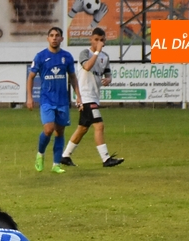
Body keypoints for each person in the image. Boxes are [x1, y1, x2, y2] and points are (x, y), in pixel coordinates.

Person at [60, 27, 124, 168]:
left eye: (102, 40)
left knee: (82, 128)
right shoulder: (85, 53)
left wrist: (108, 80)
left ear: (105, 41)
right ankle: (106, 159)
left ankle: (65, 156)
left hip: (94, 97)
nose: (99, 42)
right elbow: (87, 67)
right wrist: (96, 52)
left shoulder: (105, 57)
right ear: (91, 40)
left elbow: (108, 74)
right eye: (96, 40)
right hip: (85, 96)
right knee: (99, 126)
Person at [26, 27, 81, 174]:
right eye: (51, 35)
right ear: (48, 38)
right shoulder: (41, 57)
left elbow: (73, 78)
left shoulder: (67, 57)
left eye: (57, 35)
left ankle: (56, 164)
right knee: (49, 129)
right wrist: (30, 98)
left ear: (62, 39)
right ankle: (40, 154)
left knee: (60, 132)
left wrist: (78, 97)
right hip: (47, 100)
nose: (54, 38)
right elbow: (31, 77)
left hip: (62, 101)